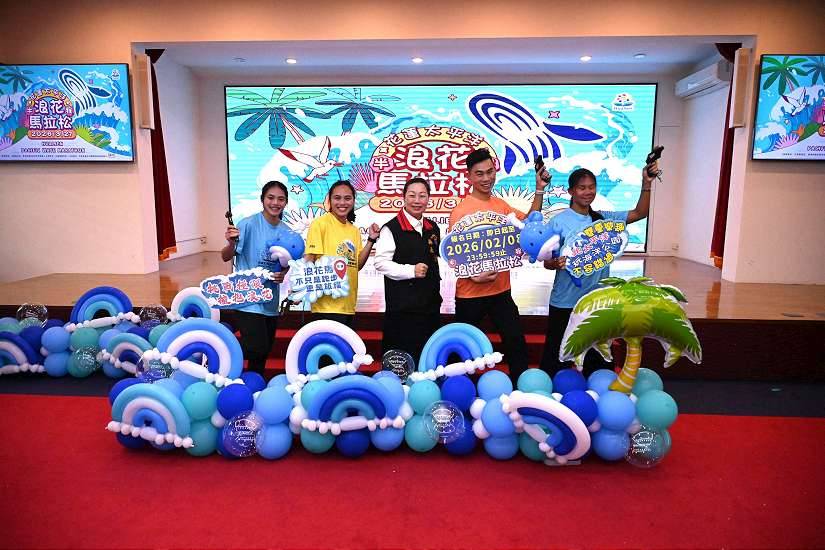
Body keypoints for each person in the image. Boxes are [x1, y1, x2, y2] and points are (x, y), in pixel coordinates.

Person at [540, 161, 659, 377]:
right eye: (582, 188)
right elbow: (547, 261)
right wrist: (555, 263)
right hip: (565, 301)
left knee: (598, 359)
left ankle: (599, 387)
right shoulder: (558, 222)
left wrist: (646, 183)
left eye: (591, 187)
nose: (588, 192)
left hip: (598, 301)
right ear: (571, 191)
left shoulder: (603, 219)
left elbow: (640, 213)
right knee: (556, 357)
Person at [448, 148, 550, 381]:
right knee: (461, 348)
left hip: (501, 292)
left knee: (516, 342)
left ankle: (521, 388)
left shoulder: (501, 206)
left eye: (490, 172)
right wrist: (473, 276)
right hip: (470, 294)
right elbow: (454, 255)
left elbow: (529, 223)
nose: (486, 178)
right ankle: (456, 391)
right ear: (469, 176)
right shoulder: (460, 211)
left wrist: (539, 189)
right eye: (479, 174)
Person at [221, 180, 296, 375]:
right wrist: (231, 243)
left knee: (263, 353)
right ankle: (220, 352)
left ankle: (254, 387)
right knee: (257, 347)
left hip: (270, 300)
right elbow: (225, 256)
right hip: (247, 297)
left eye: (280, 199)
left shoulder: (287, 231)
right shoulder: (247, 224)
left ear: (286, 202)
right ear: (262, 199)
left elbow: (286, 263)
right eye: (271, 198)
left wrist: (282, 274)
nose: (275, 203)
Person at [374, 177, 442, 364]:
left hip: (430, 306)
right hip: (402, 309)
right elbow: (380, 263)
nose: (417, 201)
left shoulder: (433, 227)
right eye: (412, 195)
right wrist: (411, 271)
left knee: (428, 359)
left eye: (422, 196)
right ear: (403, 197)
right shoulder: (391, 228)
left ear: (428, 198)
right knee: (401, 361)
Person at [303, 180, 379, 326]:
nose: (342, 203)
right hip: (325, 306)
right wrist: (299, 287)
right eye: (337, 198)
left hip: (348, 306)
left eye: (347, 198)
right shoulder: (320, 224)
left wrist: (371, 240)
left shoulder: (354, 230)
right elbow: (309, 258)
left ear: (353, 201)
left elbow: (356, 265)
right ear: (329, 200)